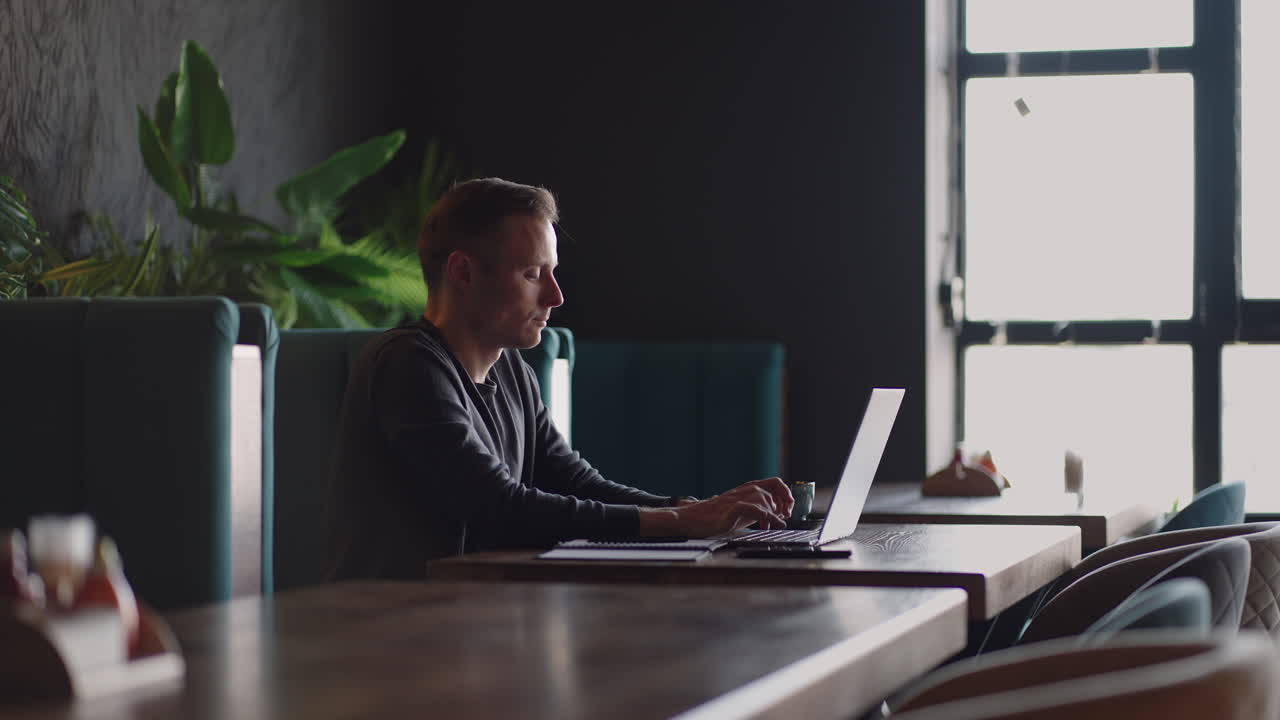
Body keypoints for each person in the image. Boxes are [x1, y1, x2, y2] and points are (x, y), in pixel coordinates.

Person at [328, 177, 792, 580]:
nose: (556, 295)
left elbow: (577, 484)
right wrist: (678, 520)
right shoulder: (407, 363)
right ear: (463, 271)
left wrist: (695, 508)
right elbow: (498, 508)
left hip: (479, 618)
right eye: (533, 273)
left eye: (552, 272)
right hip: (400, 632)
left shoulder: (512, 371)